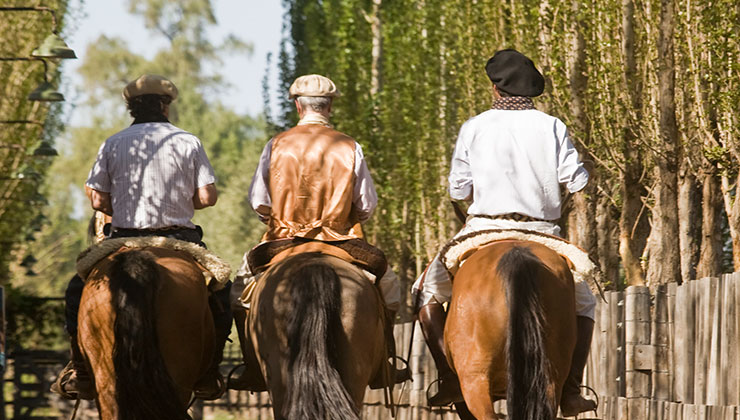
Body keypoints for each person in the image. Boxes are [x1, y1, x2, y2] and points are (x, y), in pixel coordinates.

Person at [412, 49, 598, 415]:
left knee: (426, 293)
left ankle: (450, 378)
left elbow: (458, 190)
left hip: (484, 228)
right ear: (530, 91)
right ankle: (571, 389)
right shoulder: (553, 126)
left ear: (495, 89)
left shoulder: (475, 126)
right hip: (541, 232)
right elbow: (577, 181)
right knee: (585, 301)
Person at [51, 74, 232, 401]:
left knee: (76, 289)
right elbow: (207, 197)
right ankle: (208, 372)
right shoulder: (187, 141)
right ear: (165, 105)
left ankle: (80, 371)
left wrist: (117, 201)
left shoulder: (112, 142)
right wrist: (179, 200)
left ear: (131, 108)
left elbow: (96, 200)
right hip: (178, 240)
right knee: (221, 287)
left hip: (122, 240)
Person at [228, 74, 403, 391]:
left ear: (297, 105)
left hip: (284, 240)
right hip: (341, 241)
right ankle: (383, 363)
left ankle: (253, 369)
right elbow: (366, 205)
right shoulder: (349, 146)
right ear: (330, 106)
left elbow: (259, 202)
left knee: (239, 293)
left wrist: (279, 215)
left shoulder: (276, 144)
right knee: (390, 288)